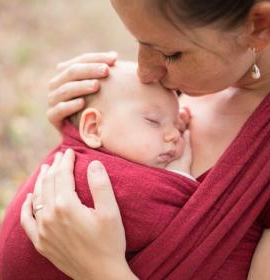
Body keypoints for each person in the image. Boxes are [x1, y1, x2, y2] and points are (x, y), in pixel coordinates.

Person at [19, 0, 270, 279]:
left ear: (259, 26)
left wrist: (102, 270)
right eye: (139, 40)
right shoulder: (180, 83)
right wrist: (78, 138)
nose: (144, 71)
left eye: (171, 54)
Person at [0, 61, 195, 280]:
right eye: (154, 121)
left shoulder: (83, 152)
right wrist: (180, 175)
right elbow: (173, 217)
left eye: (178, 125)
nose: (174, 136)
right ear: (93, 128)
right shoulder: (98, 175)